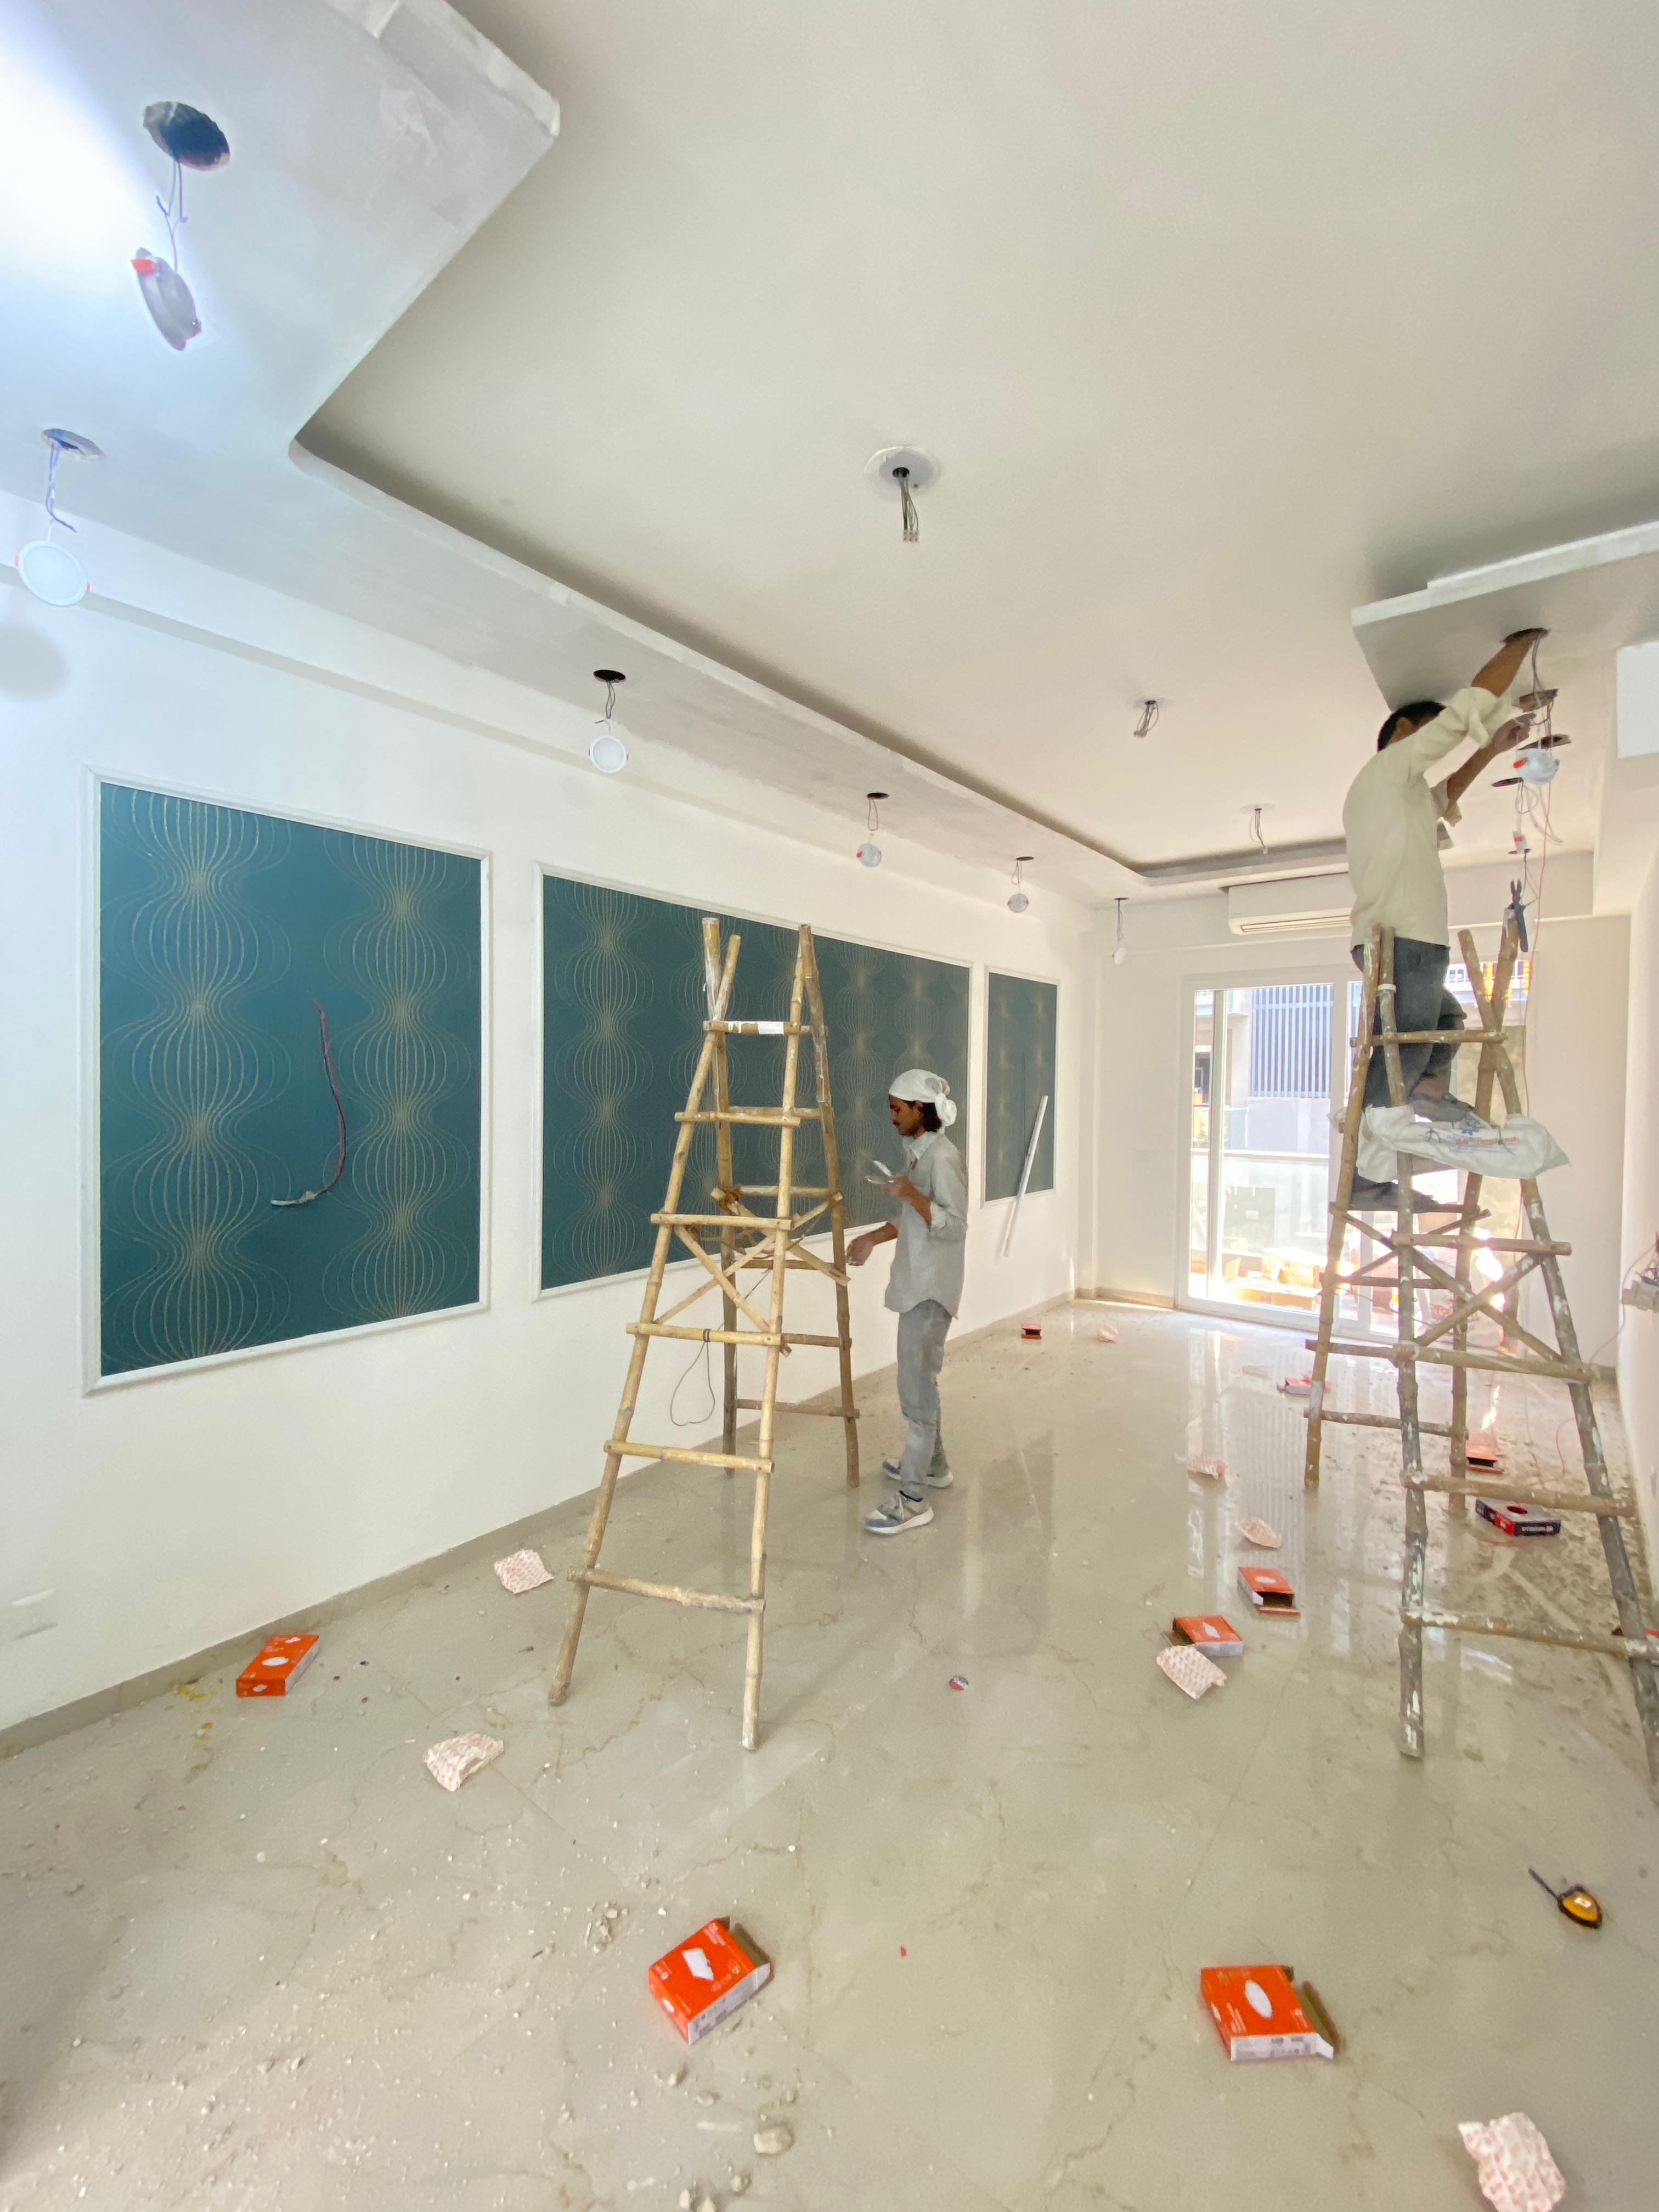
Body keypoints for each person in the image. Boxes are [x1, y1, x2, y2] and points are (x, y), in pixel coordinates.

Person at [1342, 627, 1544, 1203]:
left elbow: (1448, 792)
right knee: (1404, 1047)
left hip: (1411, 941)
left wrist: (1491, 750)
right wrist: (1518, 647)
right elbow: (1458, 721)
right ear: (1404, 733)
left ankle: (1425, 1094)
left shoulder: (1402, 797)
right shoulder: (1388, 771)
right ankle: (1365, 1176)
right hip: (1404, 938)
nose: (1436, 748)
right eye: (1427, 735)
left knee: (1445, 1024)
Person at [845, 1068, 968, 1536]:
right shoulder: (920, 1153)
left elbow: (955, 1226)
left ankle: (914, 1500)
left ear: (920, 1108)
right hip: (917, 1284)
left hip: (930, 1291)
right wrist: (872, 1239)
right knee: (921, 1384)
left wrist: (913, 1194)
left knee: (916, 1393)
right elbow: (912, 1219)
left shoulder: (943, 1158)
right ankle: (934, 1467)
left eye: (898, 1109)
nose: (892, 1116)